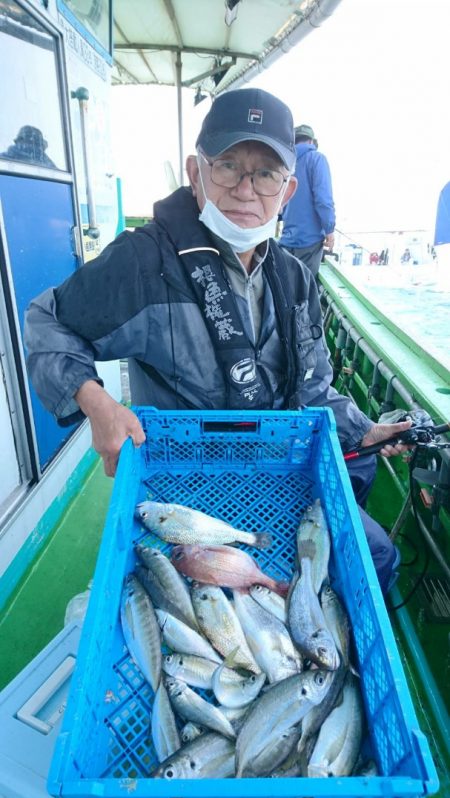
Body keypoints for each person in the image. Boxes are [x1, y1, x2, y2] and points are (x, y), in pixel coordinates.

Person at [24, 87, 410, 594]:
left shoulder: (295, 279)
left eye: (266, 174)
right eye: (228, 166)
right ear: (195, 172)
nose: (247, 190)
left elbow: (314, 393)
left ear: (288, 191)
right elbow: (45, 321)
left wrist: (365, 430)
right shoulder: (143, 264)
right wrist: (96, 403)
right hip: (179, 486)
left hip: (275, 471)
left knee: (377, 556)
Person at [279, 123, 335, 279]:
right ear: (311, 141)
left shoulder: (286, 163)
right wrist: (329, 230)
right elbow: (323, 200)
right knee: (305, 293)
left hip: (286, 241)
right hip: (309, 243)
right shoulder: (317, 159)